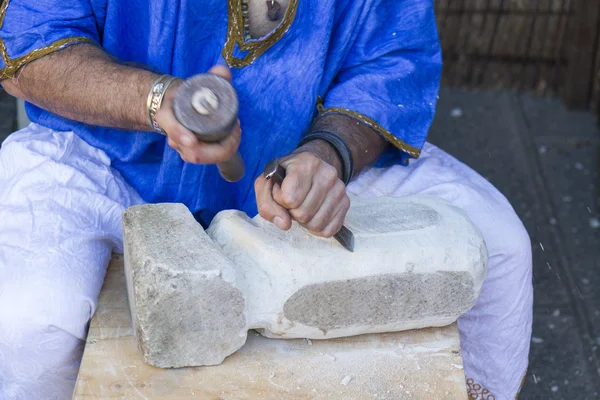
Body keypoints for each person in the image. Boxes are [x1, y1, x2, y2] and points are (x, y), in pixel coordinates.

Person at [0, 0, 532, 398]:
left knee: (500, 246)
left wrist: (330, 155)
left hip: (300, 142)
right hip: (102, 153)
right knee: (32, 320)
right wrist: (157, 100)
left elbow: (391, 59)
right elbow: (33, 46)